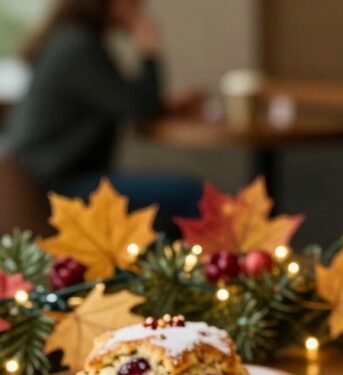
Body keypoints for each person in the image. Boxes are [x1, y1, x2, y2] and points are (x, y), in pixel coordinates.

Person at [4, 0, 203, 232]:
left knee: (179, 195)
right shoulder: (78, 47)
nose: (140, 7)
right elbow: (142, 109)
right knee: (193, 195)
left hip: (51, 179)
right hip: (57, 186)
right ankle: (176, 266)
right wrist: (148, 47)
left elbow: (123, 100)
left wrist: (165, 107)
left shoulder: (72, 40)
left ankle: (166, 263)